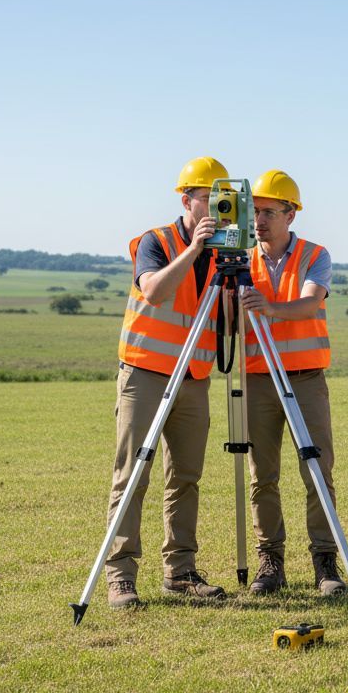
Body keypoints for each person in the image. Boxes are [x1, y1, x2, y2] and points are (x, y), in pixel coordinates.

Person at [105, 155, 230, 609]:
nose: (216, 208)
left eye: (223, 200)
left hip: (193, 378)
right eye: (208, 198)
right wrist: (194, 250)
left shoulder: (223, 254)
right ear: (186, 199)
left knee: (186, 477)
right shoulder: (155, 241)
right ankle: (121, 575)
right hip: (146, 374)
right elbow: (154, 290)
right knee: (132, 474)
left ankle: (180, 571)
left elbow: (228, 321)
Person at [237, 169, 347, 598]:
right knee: (262, 475)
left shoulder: (315, 254)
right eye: (255, 211)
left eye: (268, 211)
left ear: (290, 213)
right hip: (258, 380)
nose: (259, 220)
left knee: (317, 470)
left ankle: (325, 560)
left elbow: (309, 302)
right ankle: (271, 560)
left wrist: (269, 308)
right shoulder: (239, 257)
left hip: (305, 379)